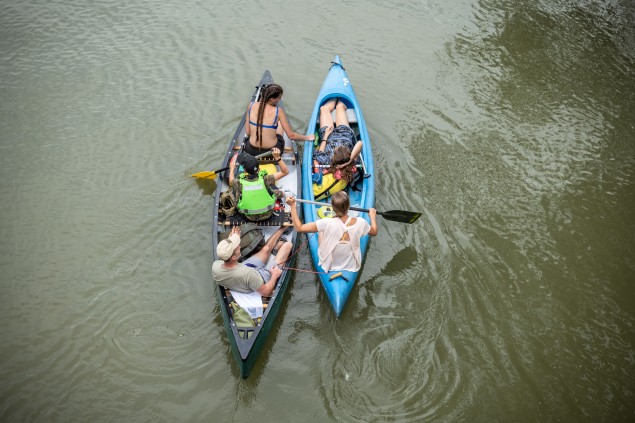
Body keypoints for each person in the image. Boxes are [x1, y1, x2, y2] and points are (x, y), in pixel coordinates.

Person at [286, 192, 377, 272]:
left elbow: (299, 228)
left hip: (331, 265)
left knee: (321, 231)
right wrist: (372, 216)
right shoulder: (361, 222)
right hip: (351, 265)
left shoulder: (326, 222)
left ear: (333, 208)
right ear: (348, 206)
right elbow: (374, 232)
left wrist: (292, 206)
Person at [212, 225, 292, 298]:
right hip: (260, 278)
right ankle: (278, 246)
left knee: (266, 249)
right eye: (237, 247)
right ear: (233, 257)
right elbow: (266, 292)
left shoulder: (216, 266)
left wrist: (231, 241)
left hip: (247, 267)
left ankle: (282, 228)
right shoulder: (248, 274)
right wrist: (274, 275)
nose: (239, 246)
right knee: (288, 245)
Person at [243, 83, 314, 156]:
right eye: (279, 98)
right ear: (272, 99)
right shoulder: (278, 111)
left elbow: (248, 133)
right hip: (272, 152)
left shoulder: (251, 105)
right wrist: (307, 137)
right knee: (279, 123)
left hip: (251, 150)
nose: (280, 99)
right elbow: (291, 136)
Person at [313, 98, 363, 184]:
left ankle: (335, 98)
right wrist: (349, 161)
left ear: (334, 156)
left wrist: (325, 136)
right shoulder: (353, 160)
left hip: (329, 135)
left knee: (323, 109)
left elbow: (320, 152)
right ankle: (339, 99)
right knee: (340, 106)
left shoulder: (328, 160)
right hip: (344, 132)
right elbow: (359, 143)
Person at [229, 150, 286, 222]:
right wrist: (278, 157)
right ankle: (284, 194)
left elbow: (231, 182)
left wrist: (232, 169)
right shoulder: (266, 179)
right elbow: (285, 171)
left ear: (245, 171)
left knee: (232, 191)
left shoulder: (238, 182)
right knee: (273, 192)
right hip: (268, 213)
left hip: (249, 216)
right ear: (259, 169)